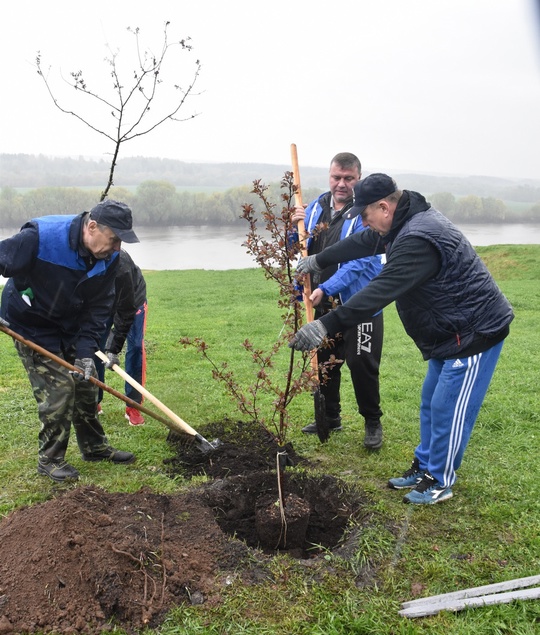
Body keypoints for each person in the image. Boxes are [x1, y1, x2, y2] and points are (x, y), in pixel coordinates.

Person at [291, 173, 514, 504]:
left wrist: (326, 325)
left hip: (474, 332)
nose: (368, 226)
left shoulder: (417, 238)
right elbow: (364, 242)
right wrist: (320, 259)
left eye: (367, 217)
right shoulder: (401, 221)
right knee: (431, 402)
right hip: (448, 332)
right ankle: (424, 467)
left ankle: (439, 481)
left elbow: (380, 290)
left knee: (448, 408)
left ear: (383, 207)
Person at [0, 200, 140, 483]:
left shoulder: (109, 258)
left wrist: (87, 351)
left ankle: (94, 448)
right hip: (31, 324)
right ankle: (50, 460)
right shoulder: (41, 237)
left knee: (85, 382)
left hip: (71, 324)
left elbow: (99, 307)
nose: (116, 248)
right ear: (92, 227)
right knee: (60, 387)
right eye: (114, 239)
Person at [291, 152, 385, 449]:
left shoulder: (366, 214)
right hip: (322, 300)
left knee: (361, 363)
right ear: (329, 176)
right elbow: (302, 249)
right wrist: (292, 227)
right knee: (325, 362)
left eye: (349, 178)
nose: (341, 184)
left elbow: (360, 262)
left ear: (358, 178)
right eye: (336, 177)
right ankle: (331, 417)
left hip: (360, 304)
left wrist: (328, 287)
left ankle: (372, 421)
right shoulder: (317, 205)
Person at [96, 249, 148, 426]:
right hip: (103, 302)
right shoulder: (82, 257)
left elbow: (125, 312)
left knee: (135, 348)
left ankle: (132, 405)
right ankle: (94, 399)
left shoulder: (122, 266)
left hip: (133, 301)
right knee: (95, 346)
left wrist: (113, 350)